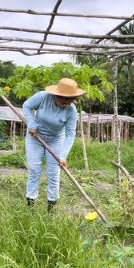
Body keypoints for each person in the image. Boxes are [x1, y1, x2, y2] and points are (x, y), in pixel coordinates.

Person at [22, 77, 85, 212]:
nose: (65, 105)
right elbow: (26, 106)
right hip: (35, 137)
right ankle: (30, 207)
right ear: (56, 95)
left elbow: (70, 135)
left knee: (54, 173)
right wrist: (32, 123)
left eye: (69, 102)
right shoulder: (42, 97)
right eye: (63, 101)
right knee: (34, 170)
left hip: (56, 140)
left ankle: (51, 208)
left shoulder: (71, 111)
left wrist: (63, 156)